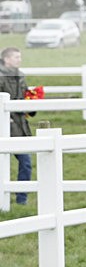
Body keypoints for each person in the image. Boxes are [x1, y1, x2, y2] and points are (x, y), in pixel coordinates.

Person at [1, 47, 33, 205]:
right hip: (3, 126)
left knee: (26, 162)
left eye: (20, 57)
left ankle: (22, 199)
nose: (19, 60)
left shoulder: (21, 76)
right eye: (16, 57)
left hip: (20, 127)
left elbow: (25, 96)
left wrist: (32, 103)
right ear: (6, 59)